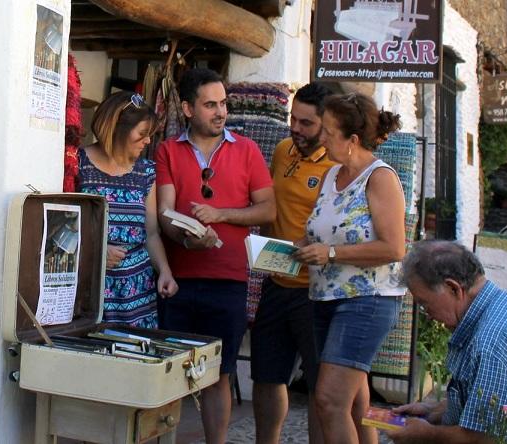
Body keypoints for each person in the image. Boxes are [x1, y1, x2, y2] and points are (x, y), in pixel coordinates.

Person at [155, 68, 275, 444]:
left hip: (229, 281)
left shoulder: (247, 149)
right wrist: (187, 237)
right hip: (180, 279)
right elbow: (164, 213)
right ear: (189, 109)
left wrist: (222, 215)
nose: (220, 111)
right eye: (211, 105)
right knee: (170, 373)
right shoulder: (168, 150)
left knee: (218, 374)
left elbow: (268, 210)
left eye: (223, 103)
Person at [294, 92, 406, 444]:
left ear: (353, 140)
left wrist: (329, 254)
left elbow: (394, 247)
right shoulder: (329, 176)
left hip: (366, 300)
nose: (321, 137)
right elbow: (320, 230)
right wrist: (299, 248)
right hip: (325, 297)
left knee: (329, 399)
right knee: (356, 401)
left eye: (328, 131)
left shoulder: (380, 177)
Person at [387, 241, 507, 444]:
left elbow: (483, 439)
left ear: (453, 288)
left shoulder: (493, 342)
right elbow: (501, 402)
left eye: (425, 304)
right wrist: (433, 410)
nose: (427, 315)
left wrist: (427, 435)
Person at [251, 82, 335, 444]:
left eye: (306, 124)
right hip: (277, 282)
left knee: (321, 388)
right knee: (267, 377)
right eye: (293, 119)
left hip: (317, 293)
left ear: (328, 124)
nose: (295, 129)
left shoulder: (340, 165)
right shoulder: (284, 150)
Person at [77, 91, 178, 328]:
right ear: (117, 129)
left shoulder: (146, 172)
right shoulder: (79, 164)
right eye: (142, 134)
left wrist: (164, 271)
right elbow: (61, 224)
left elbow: (151, 234)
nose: (148, 141)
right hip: (91, 288)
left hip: (138, 294)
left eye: (150, 135)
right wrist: (97, 251)